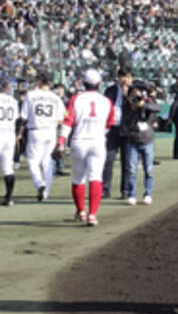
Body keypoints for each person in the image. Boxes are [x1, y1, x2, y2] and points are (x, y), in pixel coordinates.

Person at [59, 69, 115, 226]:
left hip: (79, 140)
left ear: (84, 83)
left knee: (78, 178)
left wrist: (61, 140)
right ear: (99, 84)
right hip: (97, 141)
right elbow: (109, 124)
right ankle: (92, 215)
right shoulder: (106, 101)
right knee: (96, 177)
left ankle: (81, 211)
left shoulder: (76, 99)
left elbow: (68, 121)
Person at [19, 72, 65, 202]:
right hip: (50, 131)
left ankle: (40, 184)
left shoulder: (31, 95)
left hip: (35, 130)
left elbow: (24, 117)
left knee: (33, 160)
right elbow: (61, 119)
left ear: (39, 80)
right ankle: (46, 192)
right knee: (47, 161)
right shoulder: (55, 97)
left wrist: (20, 132)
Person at [122, 80, 159, 205]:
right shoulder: (127, 105)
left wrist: (143, 105)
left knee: (148, 169)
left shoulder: (148, 102)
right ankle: (132, 194)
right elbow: (125, 121)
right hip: (132, 139)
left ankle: (148, 193)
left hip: (147, 139)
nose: (135, 97)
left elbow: (156, 108)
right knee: (132, 170)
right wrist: (132, 108)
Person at [103, 68, 133, 198]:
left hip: (126, 129)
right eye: (122, 76)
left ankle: (125, 190)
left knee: (127, 162)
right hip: (112, 129)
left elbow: (136, 106)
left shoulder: (134, 91)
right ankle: (105, 189)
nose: (124, 79)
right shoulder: (110, 90)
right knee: (108, 159)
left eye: (126, 76)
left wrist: (127, 95)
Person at [0, 83, 17, 205]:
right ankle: (9, 196)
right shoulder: (12, 100)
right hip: (10, 133)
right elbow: (16, 117)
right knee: (8, 167)